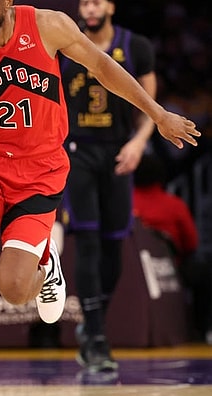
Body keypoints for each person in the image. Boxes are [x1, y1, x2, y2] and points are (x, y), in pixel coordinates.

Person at [0, 0, 199, 396]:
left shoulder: (47, 26)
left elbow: (103, 68)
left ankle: (46, 267)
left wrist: (157, 114)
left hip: (39, 172)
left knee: (16, 290)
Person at [60, 0, 158, 372]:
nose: (89, 8)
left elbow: (149, 103)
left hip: (119, 151)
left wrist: (138, 142)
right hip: (77, 152)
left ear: (111, 6)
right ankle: (98, 339)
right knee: (86, 242)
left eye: (96, 1)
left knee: (113, 245)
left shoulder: (136, 47)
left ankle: (92, 323)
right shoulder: (67, 44)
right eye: (84, 2)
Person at [133, 155, 211, 344]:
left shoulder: (124, 204)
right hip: (170, 270)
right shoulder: (174, 205)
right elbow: (191, 243)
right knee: (206, 274)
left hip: (129, 271)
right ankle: (202, 329)